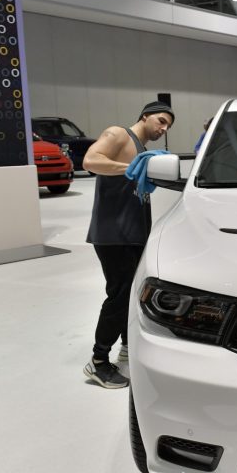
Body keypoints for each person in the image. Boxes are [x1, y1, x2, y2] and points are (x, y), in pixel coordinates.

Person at [82, 101, 175, 388]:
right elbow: (89, 161)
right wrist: (132, 167)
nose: (163, 128)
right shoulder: (118, 134)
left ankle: (127, 344)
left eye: (168, 126)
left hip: (133, 234)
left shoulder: (144, 151)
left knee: (134, 295)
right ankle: (98, 362)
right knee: (119, 296)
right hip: (113, 235)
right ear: (145, 116)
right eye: (160, 120)